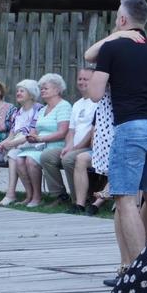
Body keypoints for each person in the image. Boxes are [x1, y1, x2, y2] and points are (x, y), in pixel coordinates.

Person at [87, 0, 147, 293]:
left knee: (125, 200)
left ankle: (136, 273)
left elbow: (94, 93)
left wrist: (113, 40)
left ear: (121, 20)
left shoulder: (112, 48)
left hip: (131, 128)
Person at [39, 69, 97, 206]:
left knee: (69, 159)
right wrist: (69, 146)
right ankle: (60, 195)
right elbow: (71, 130)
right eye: (80, 79)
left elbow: (92, 131)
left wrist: (76, 147)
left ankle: (79, 199)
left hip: (89, 147)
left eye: (86, 79)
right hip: (75, 147)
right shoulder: (77, 104)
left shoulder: (97, 102)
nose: (82, 82)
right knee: (47, 156)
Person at [0, 80, 43, 205]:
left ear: (31, 94)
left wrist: (12, 144)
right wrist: (3, 143)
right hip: (16, 143)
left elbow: (31, 134)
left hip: (30, 144)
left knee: (13, 154)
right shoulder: (18, 112)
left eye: (22, 91)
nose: (18, 93)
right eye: (17, 91)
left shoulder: (38, 109)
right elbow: (12, 134)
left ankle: (11, 194)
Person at [16, 73, 71, 207]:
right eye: (41, 88)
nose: (42, 91)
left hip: (57, 145)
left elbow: (63, 132)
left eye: (46, 88)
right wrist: (32, 136)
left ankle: (38, 197)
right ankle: (30, 195)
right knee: (19, 159)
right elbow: (35, 129)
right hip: (40, 145)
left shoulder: (64, 106)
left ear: (57, 90)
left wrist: (41, 138)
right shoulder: (43, 109)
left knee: (30, 160)